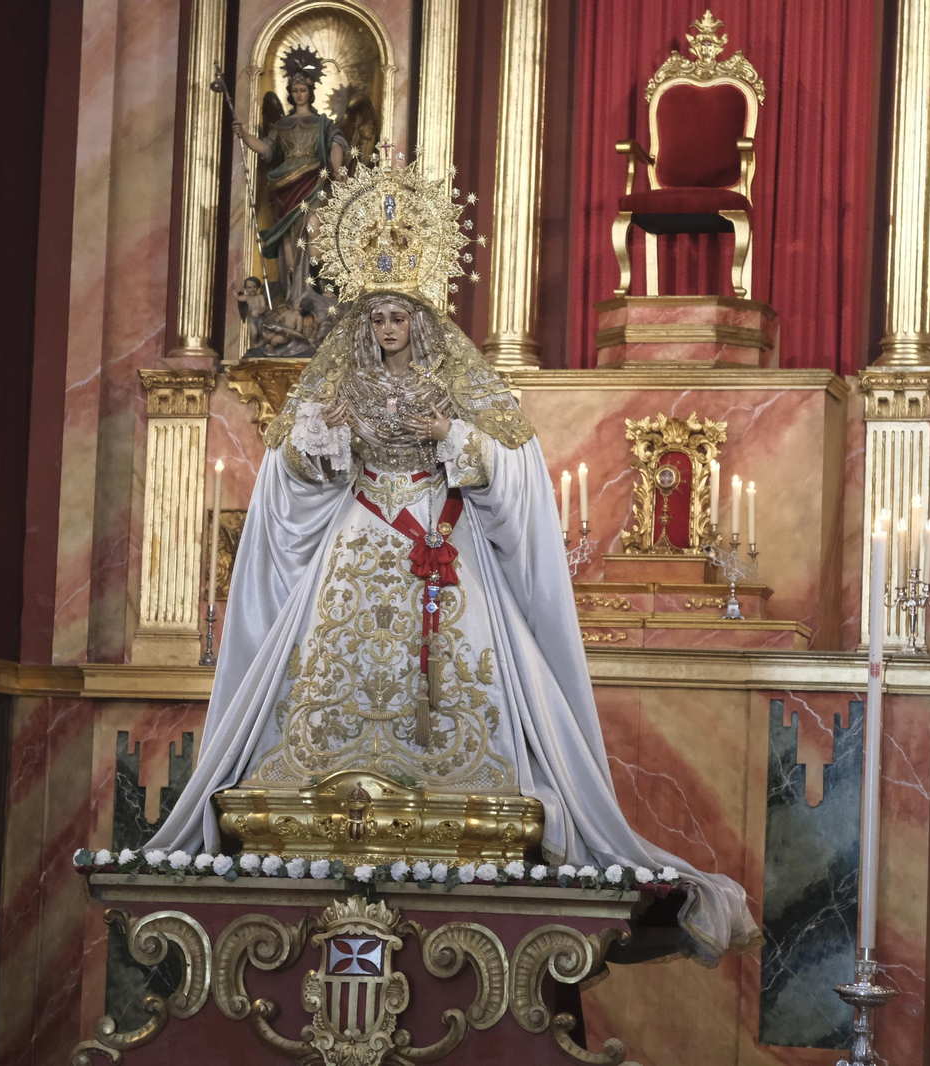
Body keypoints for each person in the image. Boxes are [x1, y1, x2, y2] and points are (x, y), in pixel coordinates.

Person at [146, 154, 759, 965]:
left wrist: (452, 438)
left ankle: (463, 790)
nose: (387, 327)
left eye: (400, 314)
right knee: (329, 680)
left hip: (441, 546)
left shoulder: (459, 386)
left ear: (422, 316)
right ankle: (323, 790)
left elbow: (518, 468)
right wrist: (317, 437)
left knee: (469, 685)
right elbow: (291, 478)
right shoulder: (339, 385)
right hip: (358, 544)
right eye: (377, 315)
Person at [233, 62, 347, 311]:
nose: (299, 94)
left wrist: (337, 169)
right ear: (291, 92)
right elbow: (266, 148)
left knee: (315, 229)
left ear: (310, 92)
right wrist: (244, 135)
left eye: (303, 89)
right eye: (295, 89)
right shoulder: (281, 126)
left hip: (315, 181)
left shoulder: (322, 123)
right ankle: (297, 292)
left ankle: (327, 286)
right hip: (286, 188)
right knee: (290, 243)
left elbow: (336, 144)